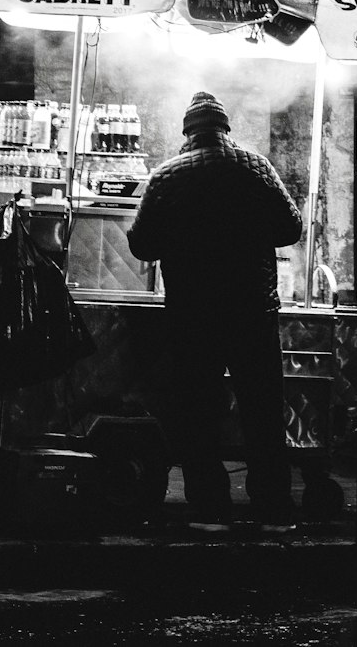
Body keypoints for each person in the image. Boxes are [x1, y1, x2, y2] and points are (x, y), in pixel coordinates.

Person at [127, 89, 303, 534]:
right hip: (253, 309)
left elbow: (143, 244)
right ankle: (273, 507)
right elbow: (290, 228)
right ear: (225, 129)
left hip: (192, 313)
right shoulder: (255, 166)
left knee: (196, 411)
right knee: (263, 409)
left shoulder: (166, 176)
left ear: (187, 132)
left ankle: (210, 505)